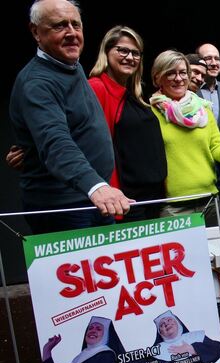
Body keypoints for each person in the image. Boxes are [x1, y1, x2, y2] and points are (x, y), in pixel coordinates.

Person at [9, 0, 131, 234]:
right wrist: (96, 186)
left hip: (91, 198)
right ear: (36, 32)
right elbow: (56, 142)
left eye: (76, 25)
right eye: (59, 26)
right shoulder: (37, 82)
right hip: (65, 207)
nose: (72, 33)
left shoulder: (68, 66)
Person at [88, 25, 167, 221]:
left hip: (152, 199)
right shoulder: (98, 88)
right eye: (122, 50)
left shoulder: (134, 94)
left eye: (135, 53)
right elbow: (97, 148)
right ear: (106, 51)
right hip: (126, 203)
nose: (130, 57)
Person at [150, 50, 220, 223]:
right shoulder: (151, 113)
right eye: (170, 73)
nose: (178, 78)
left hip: (210, 200)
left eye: (183, 72)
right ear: (157, 78)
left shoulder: (203, 109)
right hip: (173, 207)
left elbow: (216, 146)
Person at [42, 316, 125, 363]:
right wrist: (47, 349)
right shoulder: (81, 357)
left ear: (106, 336)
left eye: (98, 329)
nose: (93, 331)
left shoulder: (106, 355)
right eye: (90, 328)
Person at [153, 310, 220, 363]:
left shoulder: (196, 337)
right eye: (162, 324)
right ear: (160, 333)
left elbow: (217, 350)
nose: (166, 324)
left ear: (177, 323)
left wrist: (192, 349)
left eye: (169, 320)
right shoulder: (157, 352)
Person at [195, 43, 220, 143]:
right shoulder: (190, 90)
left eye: (217, 59)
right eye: (208, 58)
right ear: (199, 62)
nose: (214, 63)